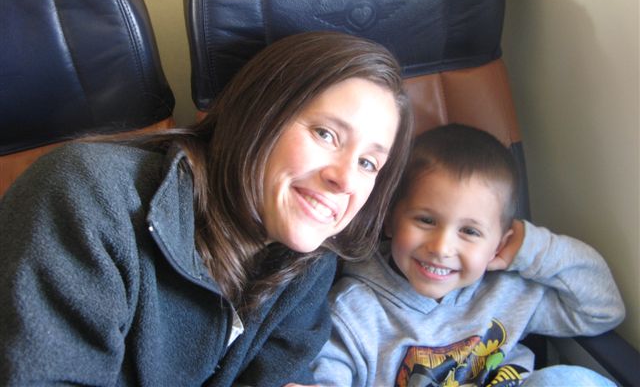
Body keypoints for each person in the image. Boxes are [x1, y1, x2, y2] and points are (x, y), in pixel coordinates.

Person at [0, 31, 414, 386]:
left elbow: (281, 371)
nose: (345, 180)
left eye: (368, 163)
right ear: (258, 114)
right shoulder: (86, 196)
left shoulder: (309, 260)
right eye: (326, 134)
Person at [311, 123, 625, 387]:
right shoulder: (355, 311)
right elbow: (325, 374)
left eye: (470, 232)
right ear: (391, 220)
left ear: (499, 244)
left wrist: (530, 247)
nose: (441, 247)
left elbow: (602, 311)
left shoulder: (507, 290)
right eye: (426, 220)